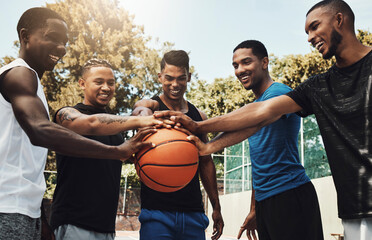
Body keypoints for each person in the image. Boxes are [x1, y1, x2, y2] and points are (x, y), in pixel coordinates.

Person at [155, 1, 372, 239]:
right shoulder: (318, 87)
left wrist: (200, 128)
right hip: (349, 208)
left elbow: (258, 115)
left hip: (291, 194)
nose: (309, 37)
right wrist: (254, 205)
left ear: (340, 20)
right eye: (235, 65)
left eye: (314, 27)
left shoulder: (279, 92)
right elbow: (257, 127)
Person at [0, 8, 157, 240]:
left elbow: (24, 162)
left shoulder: (32, 83)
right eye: (52, 37)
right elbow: (40, 131)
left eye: (64, 42)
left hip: (25, 209)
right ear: (25, 37)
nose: (61, 48)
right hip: (8, 208)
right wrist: (117, 151)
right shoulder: (20, 73)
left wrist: (41, 217)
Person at [50, 58, 164, 240]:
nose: (106, 87)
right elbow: (92, 123)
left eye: (111, 83)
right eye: (99, 82)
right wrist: (139, 120)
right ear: (82, 84)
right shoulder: (66, 115)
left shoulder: (115, 129)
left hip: (106, 226)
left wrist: (144, 110)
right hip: (73, 222)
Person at [132, 50, 224, 240]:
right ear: (160, 77)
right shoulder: (152, 106)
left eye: (181, 78)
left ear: (189, 77)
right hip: (156, 212)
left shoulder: (199, 117)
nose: (175, 84)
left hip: (193, 213)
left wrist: (216, 207)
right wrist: (145, 118)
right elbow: (139, 109)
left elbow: (206, 162)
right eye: (169, 78)